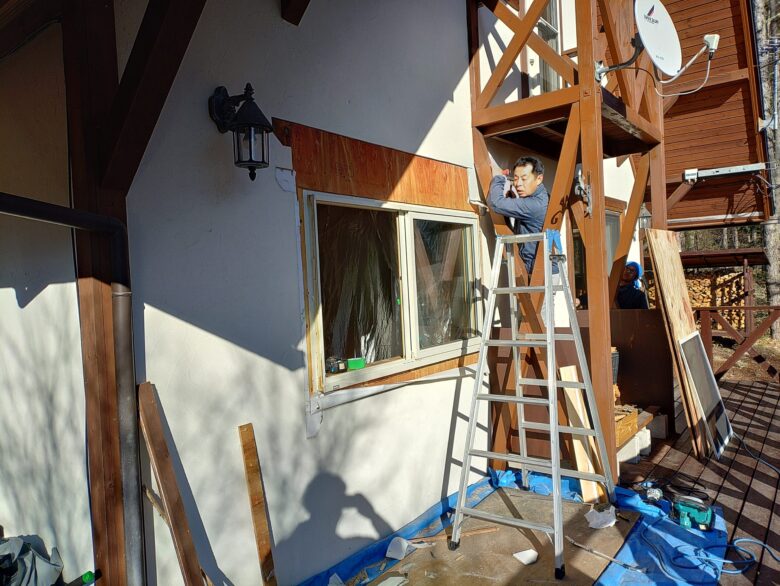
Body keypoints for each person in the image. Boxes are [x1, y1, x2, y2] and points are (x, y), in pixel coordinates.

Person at [488, 156, 555, 276]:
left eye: (524, 179)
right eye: (515, 178)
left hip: (540, 273)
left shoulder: (535, 204)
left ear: (539, 179)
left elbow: (495, 202)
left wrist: (498, 177)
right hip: (543, 269)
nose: (518, 184)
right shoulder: (542, 197)